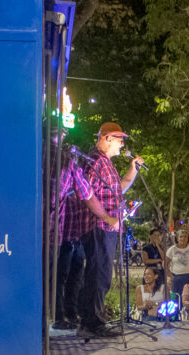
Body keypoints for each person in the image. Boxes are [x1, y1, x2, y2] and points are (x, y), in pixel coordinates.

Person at [76, 122, 145, 338]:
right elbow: (87, 193)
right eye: (119, 140)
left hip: (108, 226)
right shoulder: (96, 161)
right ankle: (91, 323)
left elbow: (119, 188)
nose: (122, 144)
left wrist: (133, 169)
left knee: (102, 274)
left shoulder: (106, 163)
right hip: (99, 226)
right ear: (107, 138)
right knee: (99, 274)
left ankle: (92, 320)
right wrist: (107, 217)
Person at [53, 151, 118, 332]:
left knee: (77, 278)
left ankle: (74, 315)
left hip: (78, 237)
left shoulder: (79, 179)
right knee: (61, 277)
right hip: (66, 236)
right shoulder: (77, 182)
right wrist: (105, 217)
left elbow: (92, 194)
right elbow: (87, 195)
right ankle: (60, 317)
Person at [166, 228, 189, 300]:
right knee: (176, 297)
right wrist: (170, 275)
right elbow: (164, 264)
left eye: (185, 237)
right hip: (176, 277)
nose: (183, 238)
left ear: (188, 239)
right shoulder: (172, 249)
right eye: (181, 237)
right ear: (177, 238)